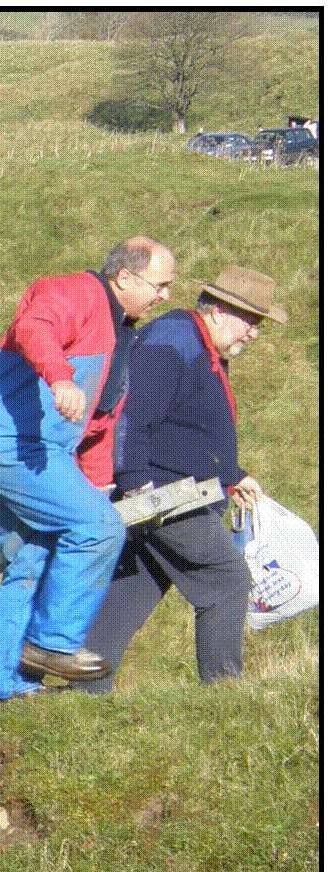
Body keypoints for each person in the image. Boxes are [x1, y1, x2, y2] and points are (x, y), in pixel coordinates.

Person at [0, 236, 177, 702]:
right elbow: (32, 327)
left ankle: (14, 694)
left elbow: (98, 424)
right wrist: (59, 377)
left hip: (43, 452)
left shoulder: (123, 333)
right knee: (100, 531)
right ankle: (53, 644)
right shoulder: (75, 291)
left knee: (30, 561)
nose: (165, 297)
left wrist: (99, 484)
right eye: (160, 285)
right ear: (124, 277)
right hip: (10, 442)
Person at [73, 266, 287, 694]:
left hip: (172, 488)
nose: (255, 334)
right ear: (221, 310)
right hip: (162, 491)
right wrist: (136, 484)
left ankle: (81, 695)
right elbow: (131, 415)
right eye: (252, 322)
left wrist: (233, 475)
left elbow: (186, 428)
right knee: (227, 580)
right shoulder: (172, 340)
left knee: (131, 592)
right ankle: (225, 694)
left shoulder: (198, 345)